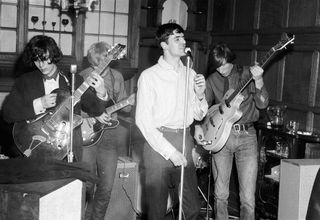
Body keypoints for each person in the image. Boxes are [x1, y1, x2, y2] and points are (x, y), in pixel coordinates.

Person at [135, 23, 208, 220]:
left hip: (184, 138)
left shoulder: (190, 74)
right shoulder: (149, 76)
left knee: (191, 208)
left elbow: (199, 115)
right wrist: (170, 152)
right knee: (157, 211)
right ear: (164, 45)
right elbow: (143, 121)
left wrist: (200, 96)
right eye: (177, 38)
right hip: (157, 142)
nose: (183, 42)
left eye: (183, 38)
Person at [2, 35, 107, 161]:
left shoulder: (74, 80)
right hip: (33, 149)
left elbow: (97, 110)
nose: (41, 65)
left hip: (66, 150)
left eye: (46, 59)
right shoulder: (25, 81)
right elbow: (8, 114)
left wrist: (101, 92)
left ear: (54, 55)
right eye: (37, 60)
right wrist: (39, 104)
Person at [194, 43, 269, 220]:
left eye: (224, 64)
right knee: (220, 194)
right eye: (217, 66)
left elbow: (263, 104)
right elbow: (203, 109)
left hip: (247, 136)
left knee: (248, 199)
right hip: (221, 138)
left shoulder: (247, 74)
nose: (221, 69)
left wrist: (259, 81)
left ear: (231, 59)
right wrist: (202, 127)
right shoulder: (212, 79)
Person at [79, 41, 133, 220]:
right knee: (86, 185)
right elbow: (75, 110)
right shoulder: (82, 76)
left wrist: (129, 103)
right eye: (96, 64)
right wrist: (94, 116)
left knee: (106, 186)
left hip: (110, 135)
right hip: (88, 134)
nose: (99, 68)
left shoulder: (117, 76)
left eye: (102, 62)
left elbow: (124, 108)